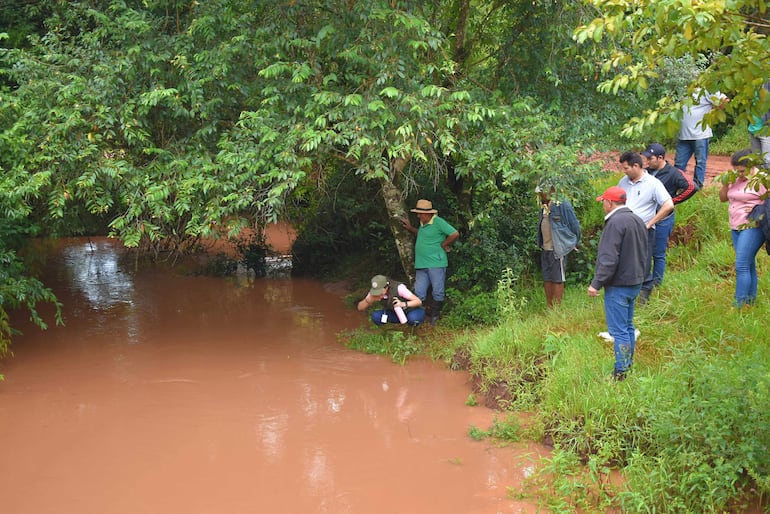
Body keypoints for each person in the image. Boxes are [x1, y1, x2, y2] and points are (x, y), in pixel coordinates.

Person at [588, 186, 648, 381]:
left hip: (619, 284)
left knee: (619, 331)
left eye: (603, 202)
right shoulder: (637, 220)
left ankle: (620, 373)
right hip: (636, 281)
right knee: (628, 326)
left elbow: (608, 258)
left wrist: (596, 283)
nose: (603, 205)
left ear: (610, 203)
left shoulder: (614, 223)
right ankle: (627, 366)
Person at [618, 151, 674, 305]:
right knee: (624, 263)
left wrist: (649, 224)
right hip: (624, 230)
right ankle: (626, 297)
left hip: (643, 231)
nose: (624, 171)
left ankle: (643, 301)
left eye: (626, 168)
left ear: (636, 166)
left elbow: (668, 205)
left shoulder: (653, 183)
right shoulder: (623, 182)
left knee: (643, 264)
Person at [641, 143, 696, 289]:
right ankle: (643, 282)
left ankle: (657, 285)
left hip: (663, 219)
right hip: (647, 217)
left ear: (660, 158)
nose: (647, 162)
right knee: (643, 251)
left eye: (650, 158)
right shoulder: (646, 172)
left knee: (658, 253)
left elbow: (691, 187)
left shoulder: (673, 173)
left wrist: (672, 201)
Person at [718, 149, 768, 308]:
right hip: (735, 224)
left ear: (751, 166)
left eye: (741, 170)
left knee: (741, 265)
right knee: (748, 263)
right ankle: (750, 301)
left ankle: (738, 304)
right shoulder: (734, 178)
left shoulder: (761, 179)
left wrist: (759, 211)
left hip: (753, 225)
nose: (738, 173)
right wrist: (726, 184)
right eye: (735, 170)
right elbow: (723, 198)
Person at [402, 199, 459, 324]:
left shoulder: (438, 222)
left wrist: (444, 244)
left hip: (436, 263)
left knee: (437, 291)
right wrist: (411, 228)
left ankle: (435, 318)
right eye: (418, 213)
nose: (418, 216)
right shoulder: (423, 223)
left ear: (428, 214)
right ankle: (419, 317)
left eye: (420, 213)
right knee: (419, 292)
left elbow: (454, 233)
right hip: (421, 264)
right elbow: (423, 235)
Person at [536, 183, 581, 307]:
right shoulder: (544, 206)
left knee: (557, 278)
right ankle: (550, 307)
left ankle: (557, 308)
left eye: (542, 192)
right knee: (547, 277)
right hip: (545, 248)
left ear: (551, 190)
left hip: (558, 248)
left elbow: (574, 226)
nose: (540, 195)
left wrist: (573, 242)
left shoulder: (562, 204)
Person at [675, 88, 729, 189]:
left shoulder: (707, 89)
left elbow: (724, 100)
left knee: (700, 162)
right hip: (684, 134)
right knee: (679, 163)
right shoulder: (681, 87)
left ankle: (697, 187)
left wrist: (714, 111)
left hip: (700, 134)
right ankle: (677, 186)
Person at [357, 274, 425, 326]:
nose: (378, 293)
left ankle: (412, 327)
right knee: (376, 316)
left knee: (413, 319)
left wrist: (402, 304)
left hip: (412, 310)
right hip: (395, 313)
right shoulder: (373, 293)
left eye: (380, 291)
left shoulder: (399, 288)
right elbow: (360, 308)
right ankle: (389, 329)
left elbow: (418, 301)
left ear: (386, 287)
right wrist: (368, 300)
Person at [748, 80, 770, 169]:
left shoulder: (767, 84)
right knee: (756, 162)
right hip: (753, 129)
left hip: (765, 130)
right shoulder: (752, 85)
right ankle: (759, 183)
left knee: (767, 161)